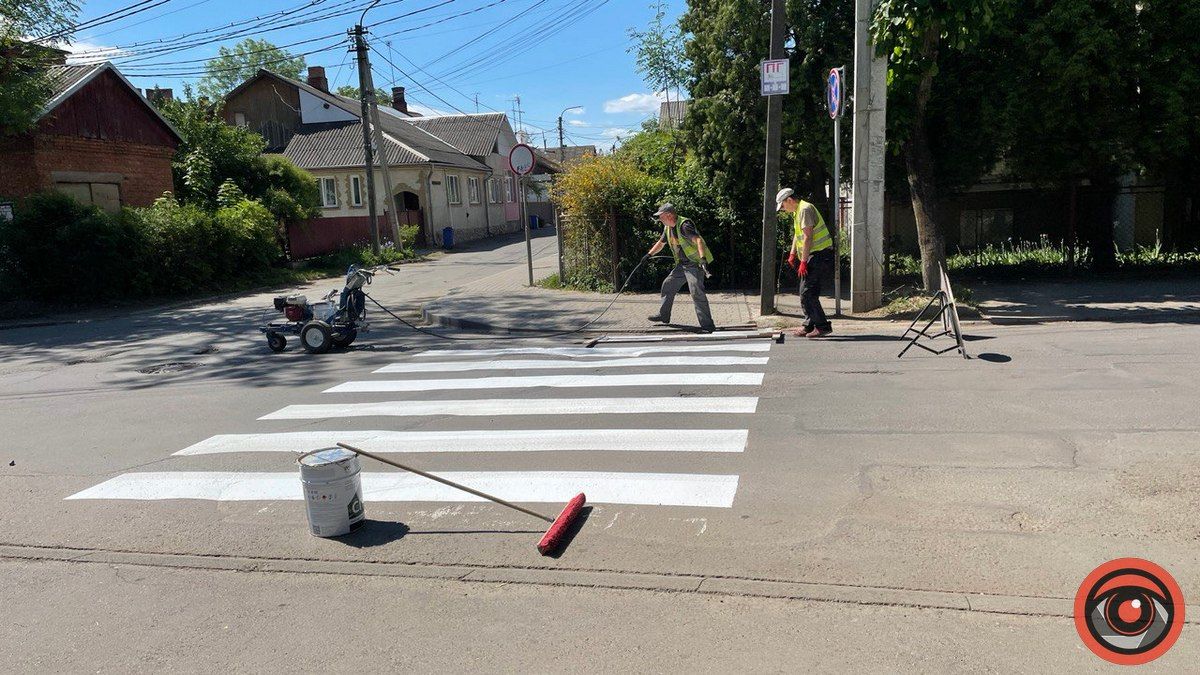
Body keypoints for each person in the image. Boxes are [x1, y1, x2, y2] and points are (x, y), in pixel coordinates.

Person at [644, 203, 716, 332]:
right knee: (668, 285)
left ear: (669, 215)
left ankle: (707, 326)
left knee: (696, 292)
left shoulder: (684, 225)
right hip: (682, 265)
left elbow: (698, 240)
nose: (659, 219)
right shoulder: (668, 228)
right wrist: (649, 254)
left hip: (694, 264)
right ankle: (664, 315)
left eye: (661, 216)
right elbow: (661, 243)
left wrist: (703, 259)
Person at [777, 187, 834, 337]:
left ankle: (822, 326)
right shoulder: (798, 211)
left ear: (789, 200)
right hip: (812, 256)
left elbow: (808, 237)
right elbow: (798, 235)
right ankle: (809, 325)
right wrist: (792, 253)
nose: (783, 209)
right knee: (807, 292)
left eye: (782, 206)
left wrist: (802, 262)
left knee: (807, 293)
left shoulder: (805, 209)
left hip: (819, 255)